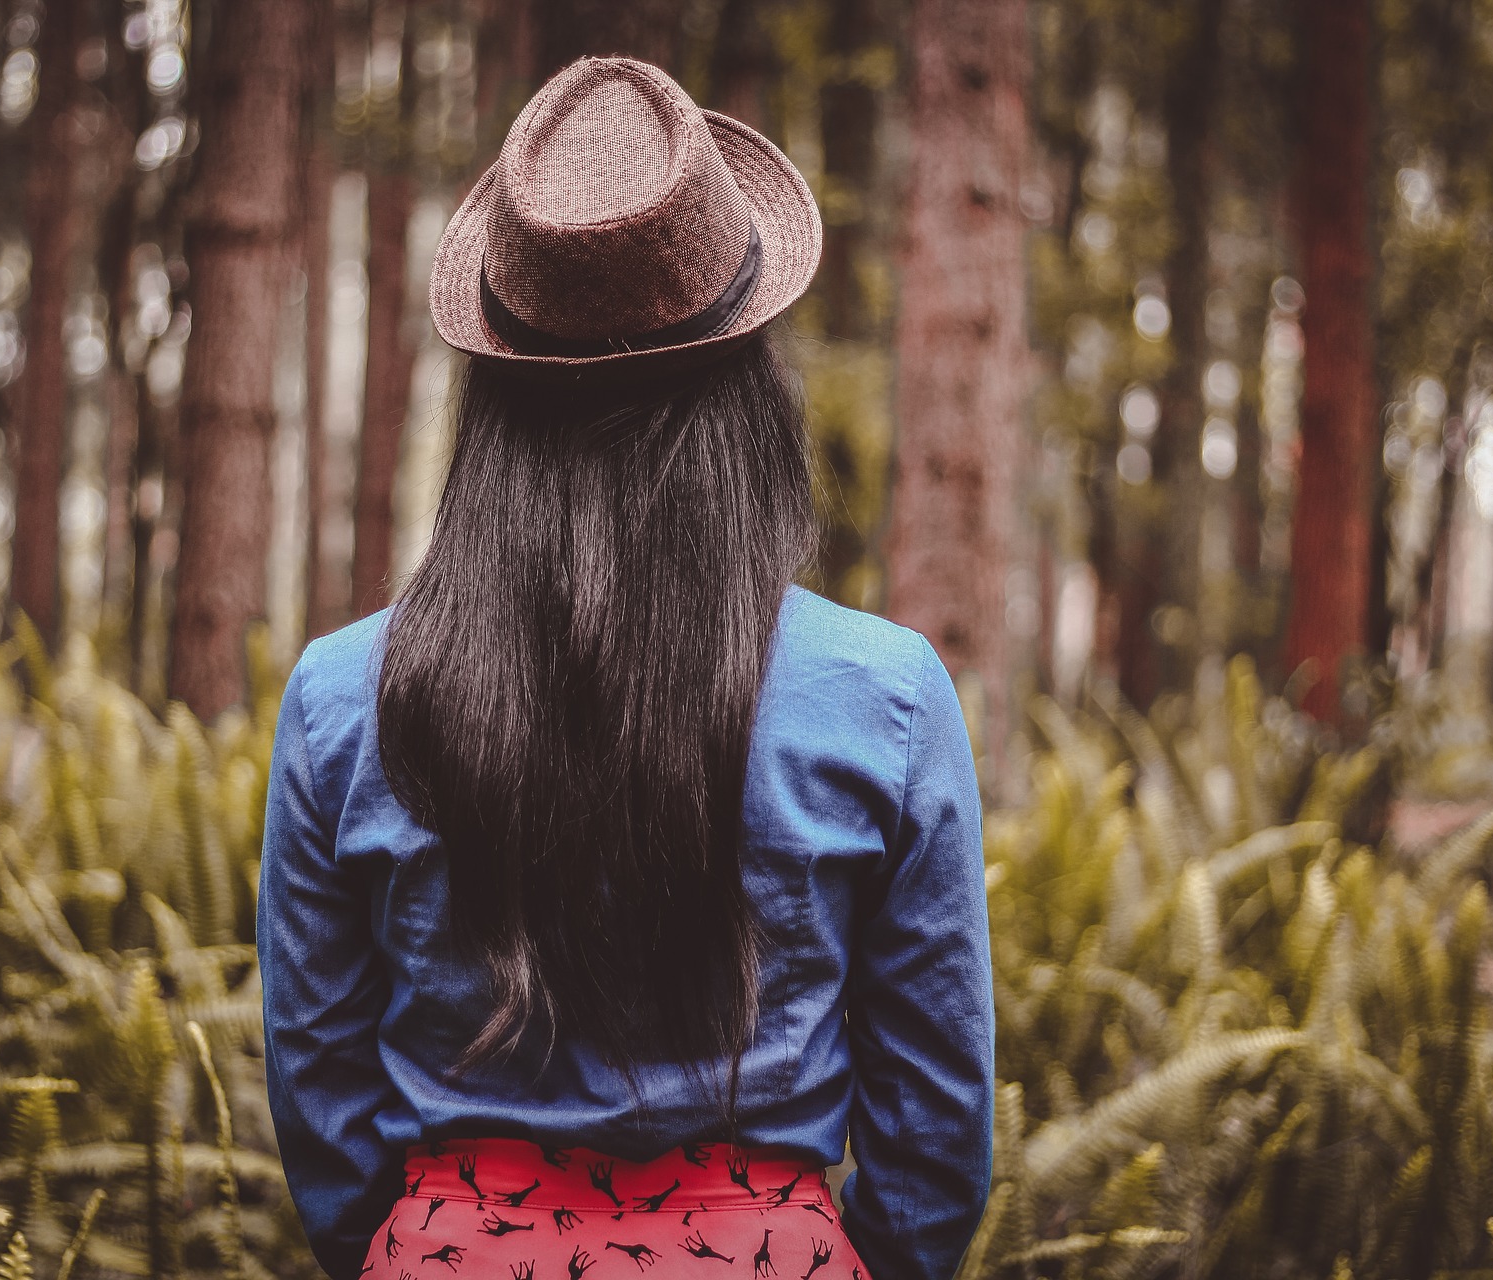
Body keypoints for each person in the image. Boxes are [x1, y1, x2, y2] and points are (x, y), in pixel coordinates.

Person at [259, 56, 992, 1280]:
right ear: (748, 381)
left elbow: (322, 1103)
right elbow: (937, 1129)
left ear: (492, 384)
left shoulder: (343, 699)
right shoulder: (888, 696)